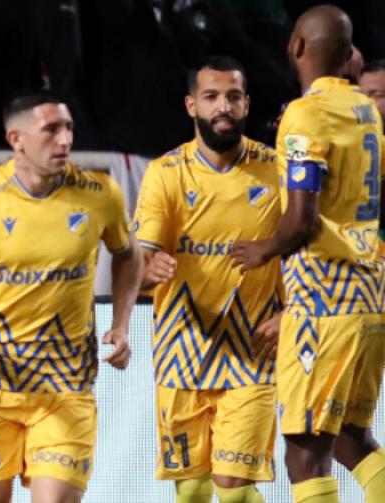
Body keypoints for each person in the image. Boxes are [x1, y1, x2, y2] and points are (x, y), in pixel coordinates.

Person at [0, 89, 141, 503]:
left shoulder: (100, 194)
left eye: (68, 128)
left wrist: (121, 324)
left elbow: (129, 255)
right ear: (16, 140)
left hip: (65, 386)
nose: (65, 140)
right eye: (51, 130)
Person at [232, 5, 385, 503]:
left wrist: (264, 250)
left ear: (297, 46)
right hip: (369, 297)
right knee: (351, 438)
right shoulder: (365, 109)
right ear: (349, 54)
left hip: (323, 302)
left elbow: (302, 219)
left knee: (304, 453)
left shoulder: (306, 114)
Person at [136, 56, 280, 503]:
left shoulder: (276, 169)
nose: (223, 107)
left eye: (233, 97)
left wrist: (292, 312)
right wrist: (148, 269)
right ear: (191, 105)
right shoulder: (166, 173)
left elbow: (303, 249)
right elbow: (141, 256)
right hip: (181, 352)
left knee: (234, 489)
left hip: (253, 351)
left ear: (246, 104)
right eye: (211, 97)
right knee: (193, 493)